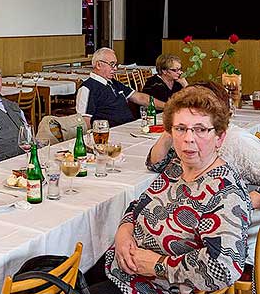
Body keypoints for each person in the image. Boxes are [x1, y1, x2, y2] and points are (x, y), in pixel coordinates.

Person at [90, 87, 250, 293]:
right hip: (120, 265)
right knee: (52, 270)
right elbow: (138, 205)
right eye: (180, 128)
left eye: (201, 129)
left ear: (219, 137)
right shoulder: (176, 167)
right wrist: (124, 232)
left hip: (151, 286)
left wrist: (158, 265)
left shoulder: (226, 193)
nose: (189, 138)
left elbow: (223, 268)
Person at [146, 80, 260, 276]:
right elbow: (155, 164)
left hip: (223, 243)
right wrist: (171, 127)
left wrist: (254, 198)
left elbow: (221, 266)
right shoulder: (186, 147)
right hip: (178, 243)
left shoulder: (239, 142)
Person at [76, 47, 165, 129]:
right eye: (112, 64)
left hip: (129, 127)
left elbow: (140, 98)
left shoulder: (113, 82)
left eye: (116, 64)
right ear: (99, 65)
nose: (115, 69)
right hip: (111, 133)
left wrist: (167, 106)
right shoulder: (88, 88)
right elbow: (84, 122)